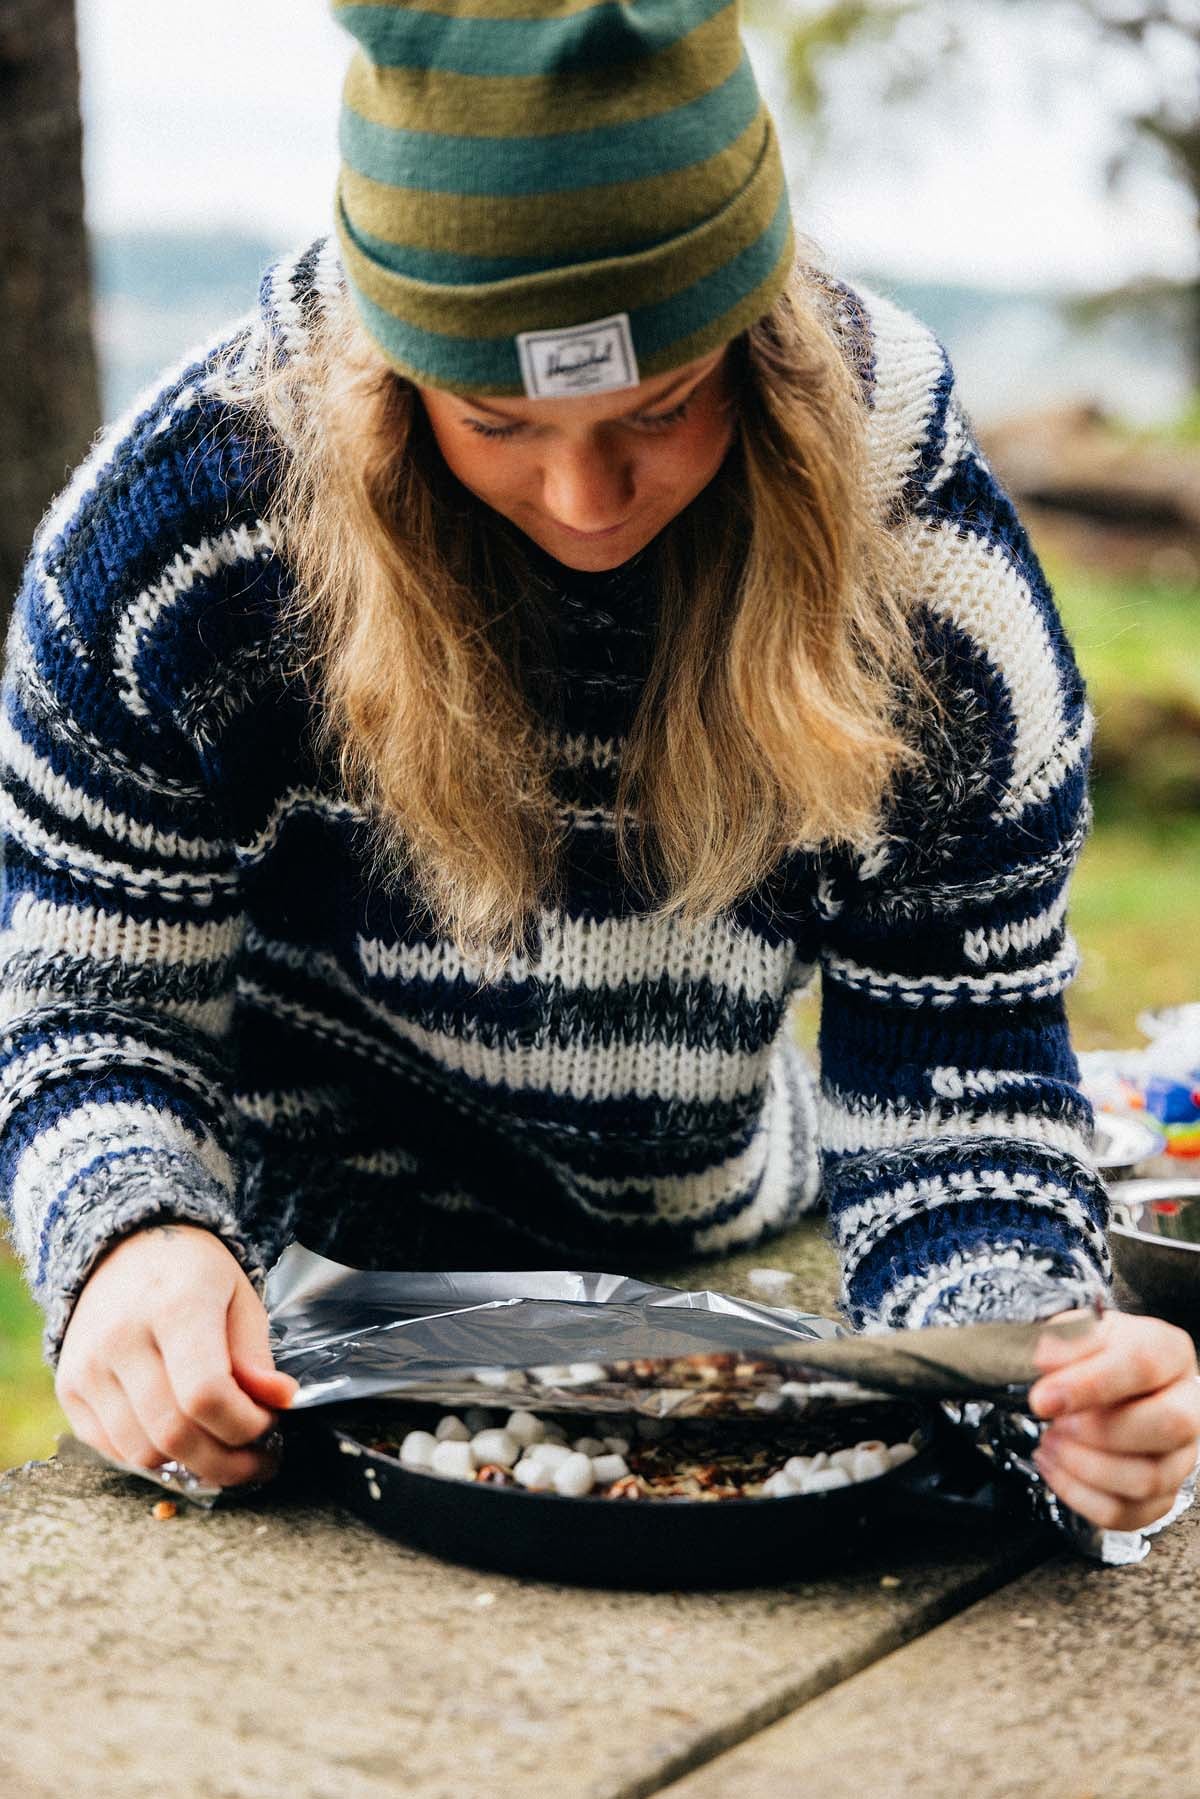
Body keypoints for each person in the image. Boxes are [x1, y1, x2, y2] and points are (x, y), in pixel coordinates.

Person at [2, 0, 1196, 1533]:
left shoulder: (928, 576)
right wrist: (128, 1238)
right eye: (495, 419)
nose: (583, 496)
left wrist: (1040, 1368)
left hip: (715, 1253)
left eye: (663, 409)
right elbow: (89, 1011)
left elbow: (957, 1080)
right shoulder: (177, 546)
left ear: (762, 345)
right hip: (282, 1287)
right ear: (386, 372)